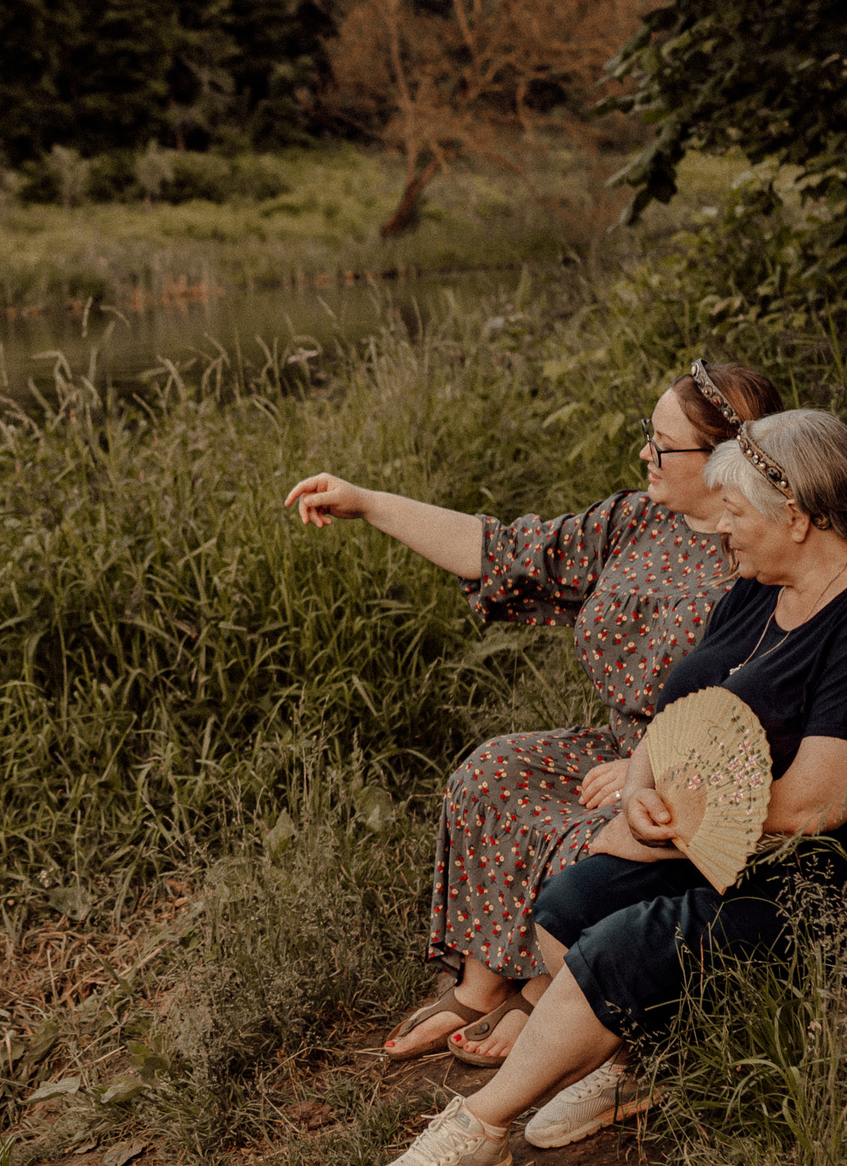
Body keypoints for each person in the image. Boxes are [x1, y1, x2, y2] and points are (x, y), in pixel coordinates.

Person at [366, 408, 847, 1166]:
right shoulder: (764, 584)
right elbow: (681, 707)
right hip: (744, 844)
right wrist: (641, 792)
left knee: (627, 942)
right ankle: (630, 1057)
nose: (719, 526)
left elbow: (816, 803)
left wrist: (671, 826)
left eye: (737, 511)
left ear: (797, 516)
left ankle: (480, 1128)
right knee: (569, 904)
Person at [281, 360, 783, 1068]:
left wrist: (650, 767)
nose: (645, 452)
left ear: (721, 460)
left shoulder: (763, 553)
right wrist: (367, 502)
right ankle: (482, 983)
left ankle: (549, 992)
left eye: (662, 444)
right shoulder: (636, 520)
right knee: (490, 773)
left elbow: (763, 707)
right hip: (614, 744)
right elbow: (504, 553)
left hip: (686, 773)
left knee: (598, 840)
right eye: (648, 433)